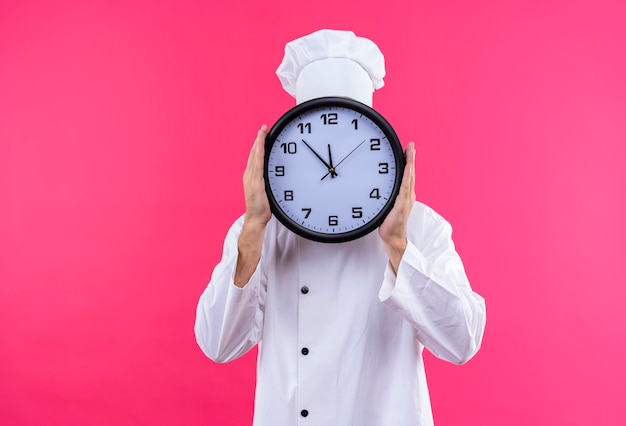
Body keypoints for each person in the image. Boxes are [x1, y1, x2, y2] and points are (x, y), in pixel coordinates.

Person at [194, 29, 486, 426]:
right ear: (282, 151)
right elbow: (217, 345)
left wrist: (398, 244)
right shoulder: (258, 231)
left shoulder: (420, 227)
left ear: (380, 148)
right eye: (315, 142)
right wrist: (253, 228)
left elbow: (462, 342)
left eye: (353, 145)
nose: (333, 171)